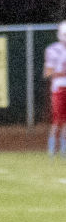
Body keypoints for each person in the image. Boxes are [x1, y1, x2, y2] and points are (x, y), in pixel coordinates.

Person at [45, 21, 66, 157]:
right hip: (58, 88)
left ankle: (64, 150)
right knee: (57, 121)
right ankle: (52, 149)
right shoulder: (52, 50)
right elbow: (48, 73)